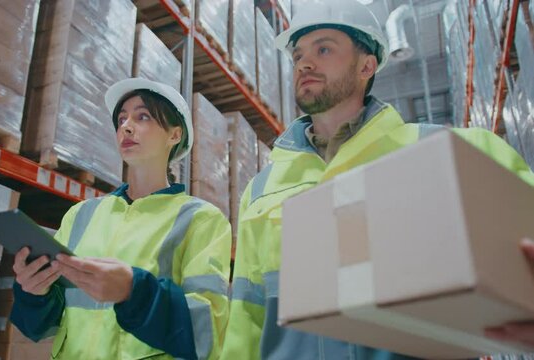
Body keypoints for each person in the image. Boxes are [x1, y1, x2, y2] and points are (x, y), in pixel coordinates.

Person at [221, 0, 534, 359]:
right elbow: (246, 315)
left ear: (367, 65)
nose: (304, 63)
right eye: (297, 56)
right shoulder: (261, 191)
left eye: (323, 48)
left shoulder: (452, 152)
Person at [9, 78, 232, 360]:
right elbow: (43, 325)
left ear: (175, 135)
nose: (126, 126)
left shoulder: (201, 220)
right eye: (122, 119)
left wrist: (133, 291)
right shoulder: (81, 215)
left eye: (143, 117)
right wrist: (33, 292)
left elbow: (208, 332)